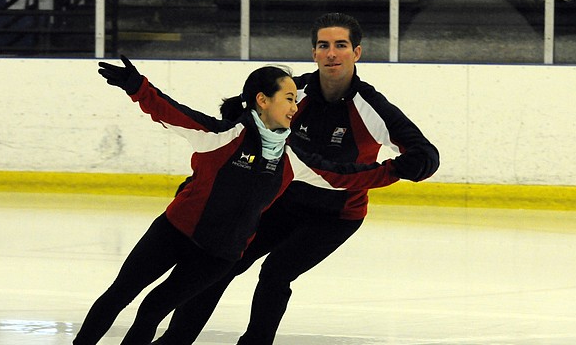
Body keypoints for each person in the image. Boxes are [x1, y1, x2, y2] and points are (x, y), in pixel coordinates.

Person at [73, 55, 404, 345]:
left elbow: (344, 176)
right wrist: (137, 87)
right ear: (262, 99)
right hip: (173, 233)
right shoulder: (223, 136)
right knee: (119, 295)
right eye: (288, 99)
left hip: (219, 255)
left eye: (295, 100)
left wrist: (398, 169)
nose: (295, 107)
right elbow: (171, 112)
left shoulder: (292, 158)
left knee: (151, 309)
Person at [153, 13, 440, 345]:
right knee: (220, 263)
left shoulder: (370, 107)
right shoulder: (292, 93)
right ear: (314, 53)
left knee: (276, 272)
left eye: (341, 45)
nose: (332, 53)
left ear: (356, 53)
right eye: (324, 45)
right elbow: (237, 129)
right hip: (280, 204)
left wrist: (404, 168)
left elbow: (426, 154)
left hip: (334, 216)